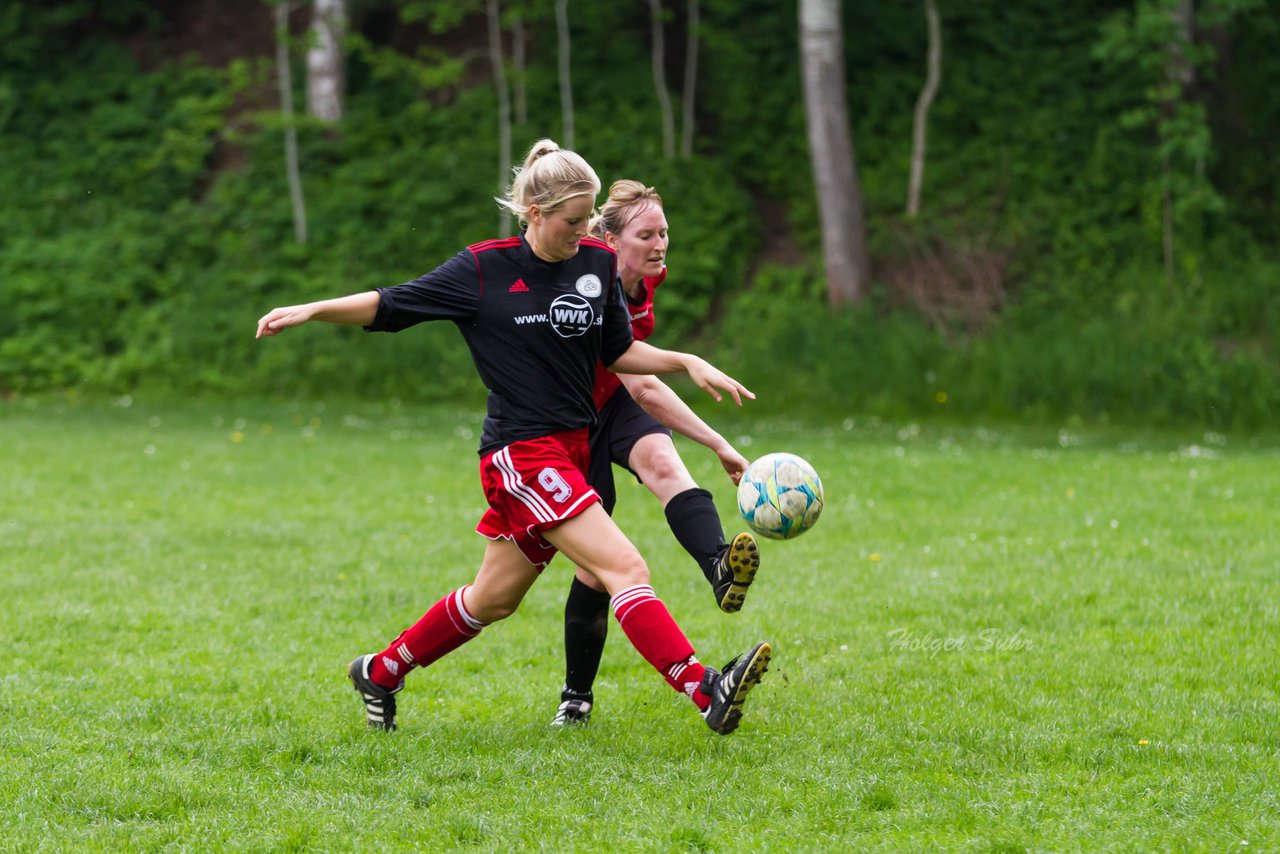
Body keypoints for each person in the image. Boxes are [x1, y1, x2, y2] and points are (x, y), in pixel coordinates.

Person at [255, 140, 771, 736]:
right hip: (521, 454)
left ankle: (381, 670)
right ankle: (704, 687)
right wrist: (314, 309)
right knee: (624, 566)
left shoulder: (597, 266)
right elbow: (392, 304)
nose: (584, 233)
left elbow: (619, 353)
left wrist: (686, 360)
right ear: (533, 212)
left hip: (572, 449)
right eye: (571, 222)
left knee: (492, 599)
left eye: (588, 220)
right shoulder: (483, 269)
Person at [553, 180, 762, 726]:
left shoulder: (646, 282)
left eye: (664, 232)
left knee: (665, 462)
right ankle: (575, 697)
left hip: (615, 399)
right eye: (646, 234)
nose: (660, 243)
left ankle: (719, 565)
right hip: (569, 418)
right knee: (595, 570)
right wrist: (707, 414)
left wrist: (717, 444)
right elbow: (645, 382)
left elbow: (636, 379)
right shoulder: (585, 279)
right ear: (610, 239)